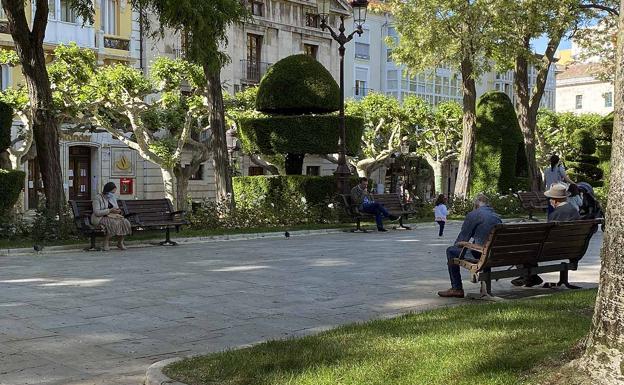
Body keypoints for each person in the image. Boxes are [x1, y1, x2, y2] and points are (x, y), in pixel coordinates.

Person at [511, 183, 581, 287]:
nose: (549, 201)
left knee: (524, 246)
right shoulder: (574, 211)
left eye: (550, 199)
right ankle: (530, 277)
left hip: (551, 249)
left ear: (555, 200)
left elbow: (547, 234)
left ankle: (529, 277)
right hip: (569, 248)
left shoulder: (555, 214)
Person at [437, 194, 502, 298]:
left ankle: (456, 288)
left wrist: (462, 245)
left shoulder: (474, 214)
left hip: (483, 254)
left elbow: (462, 239)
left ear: (476, 205)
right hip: (495, 254)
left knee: (451, 251)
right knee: (485, 248)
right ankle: (484, 286)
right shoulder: (496, 216)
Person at [92, 182, 132, 251]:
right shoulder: (97, 198)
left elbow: (115, 207)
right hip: (100, 218)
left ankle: (120, 242)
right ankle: (106, 243)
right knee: (113, 223)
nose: (112, 194)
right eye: (112, 192)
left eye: (114, 192)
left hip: (112, 216)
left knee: (125, 222)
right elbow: (97, 212)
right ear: (107, 190)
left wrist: (117, 211)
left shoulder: (112, 197)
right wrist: (109, 210)